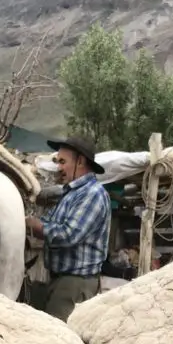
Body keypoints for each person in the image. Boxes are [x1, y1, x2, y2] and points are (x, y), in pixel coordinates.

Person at [25, 135, 110, 321]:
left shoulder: (93, 194)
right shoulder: (70, 194)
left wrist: (33, 225)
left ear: (80, 161)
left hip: (75, 284)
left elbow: (68, 235)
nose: (59, 168)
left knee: (60, 339)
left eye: (63, 162)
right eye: (57, 162)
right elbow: (50, 222)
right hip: (60, 280)